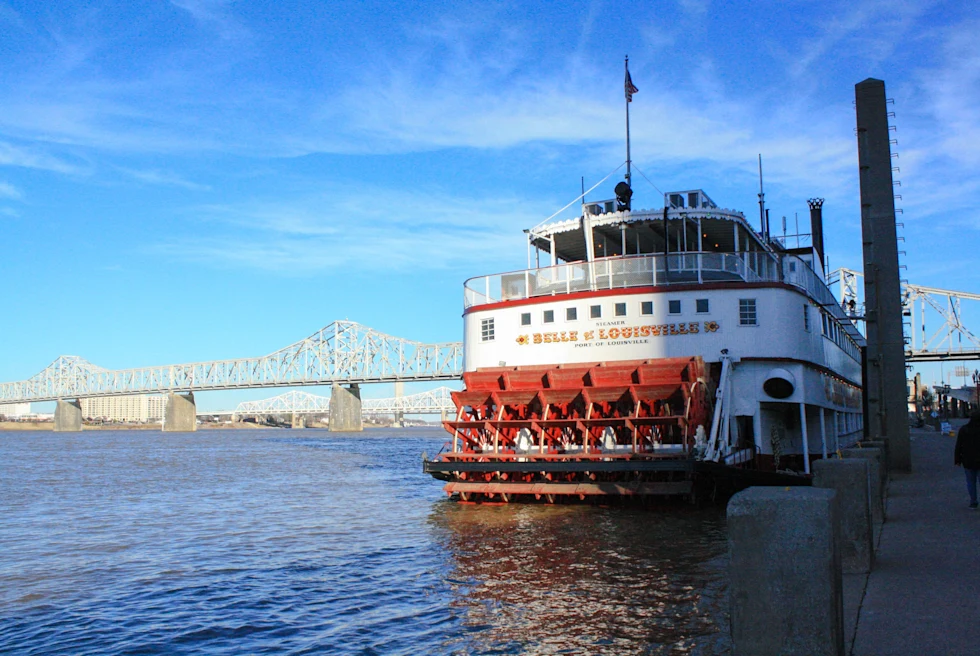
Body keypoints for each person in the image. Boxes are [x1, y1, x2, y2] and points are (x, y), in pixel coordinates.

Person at [953, 412, 980, 509]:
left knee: (971, 482)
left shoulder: (964, 429)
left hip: (968, 460)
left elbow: (959, 445)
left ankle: (973, 501)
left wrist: (957, 459)